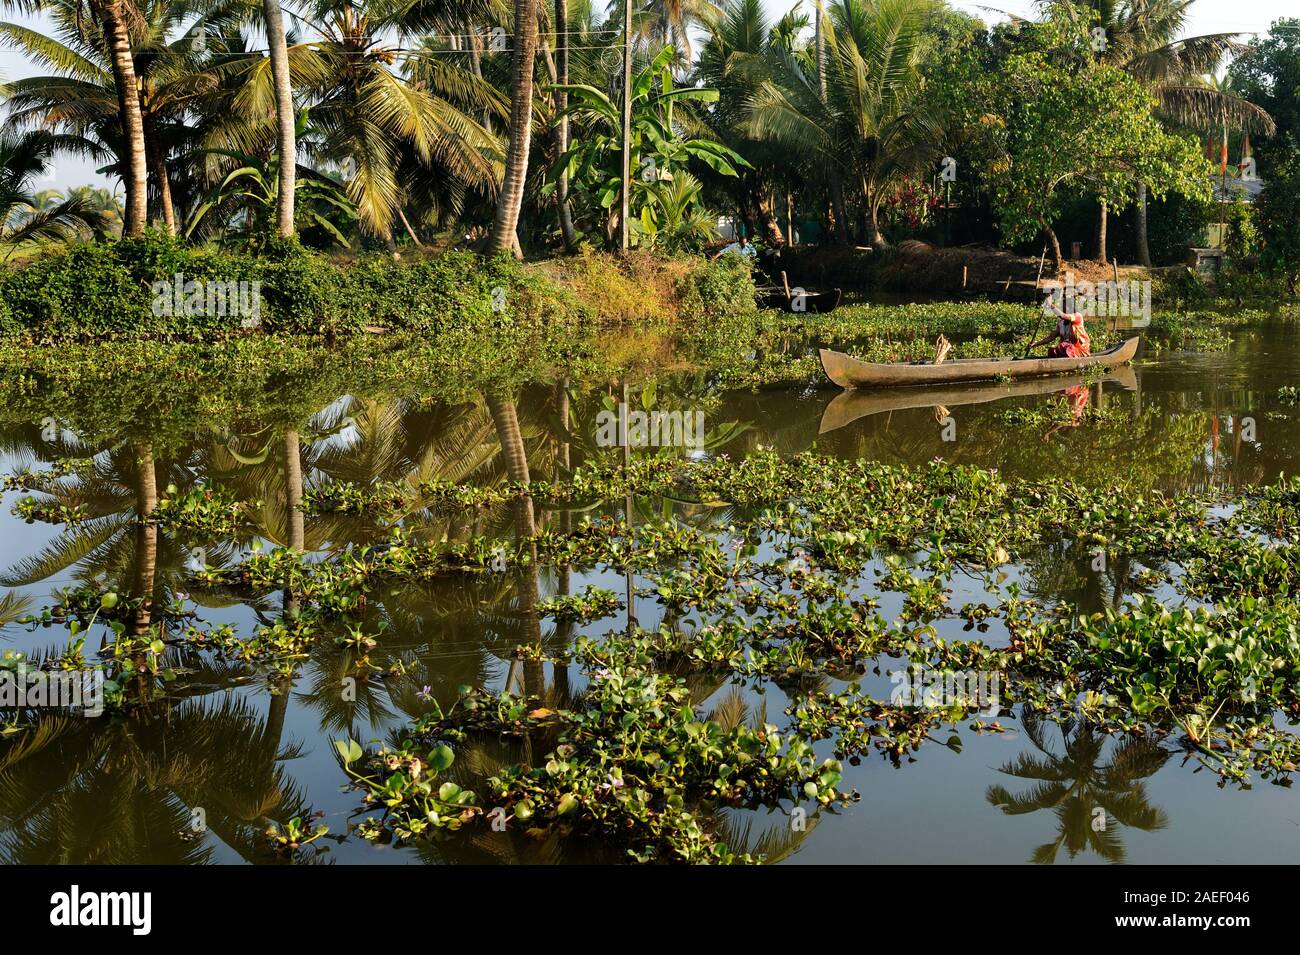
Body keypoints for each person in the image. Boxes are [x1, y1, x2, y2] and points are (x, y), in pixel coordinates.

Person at [1029, 292, 1091, 358]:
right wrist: (1036, 344)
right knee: (1053, 350)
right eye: (1062, 308)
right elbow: (1051, 337)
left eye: (1065, 307)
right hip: (1066, 350)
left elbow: (1063, 316)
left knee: (1065, 347)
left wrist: (1050, 305)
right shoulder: (1061, 323)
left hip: (1079, 350)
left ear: (1071, 308)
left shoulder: (1077, 316)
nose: (1063, 309)